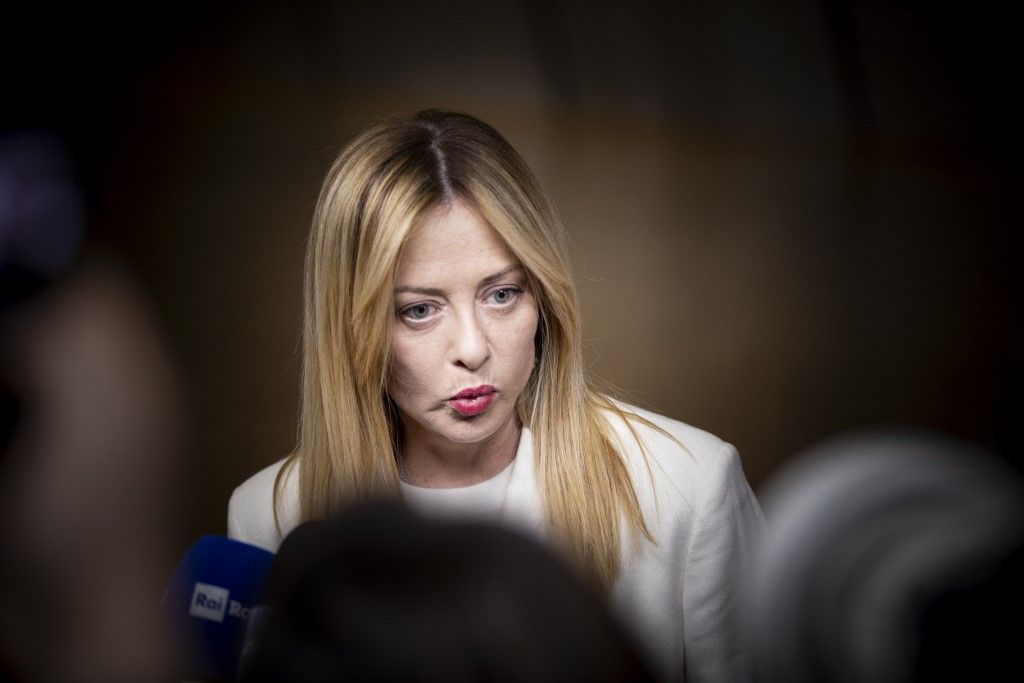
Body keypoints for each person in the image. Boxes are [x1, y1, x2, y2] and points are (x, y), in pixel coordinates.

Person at [228, 109, 763, 681]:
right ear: (350, 326)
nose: (473, 348)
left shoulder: (686, 487)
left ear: (544, 297)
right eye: (418, 310)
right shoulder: (269, 516)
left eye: (502, 294)